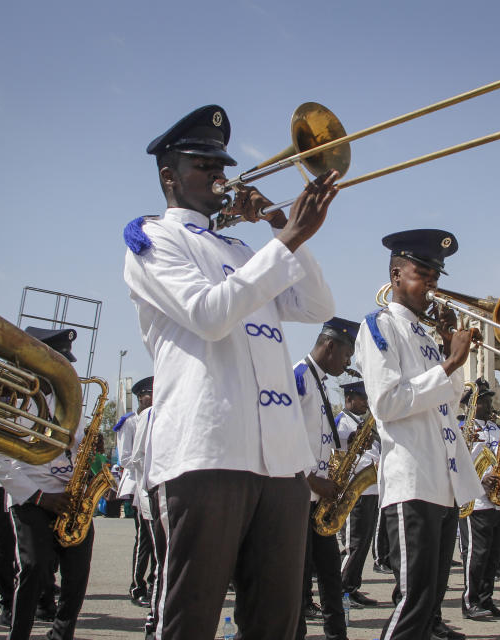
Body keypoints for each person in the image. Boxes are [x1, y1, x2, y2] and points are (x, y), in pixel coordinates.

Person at [123, 104, 339, 640]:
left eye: (220, 164)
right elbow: (210, 315)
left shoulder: (243, 248)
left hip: (279, 461)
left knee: (276, 621)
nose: (219, 175)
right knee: (191, 619)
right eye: (202, 165)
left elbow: (316, 305)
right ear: (169, 177)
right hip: (209, 452)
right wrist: (285, 243)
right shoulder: (154, 239)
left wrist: (280, 226)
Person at [355, 228, 483, 640]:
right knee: (412, 605)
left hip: (442, 482)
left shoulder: (426, 337)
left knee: (430, 604)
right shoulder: (380, 326)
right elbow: (388, 404)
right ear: (395, 275)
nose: (431, 284)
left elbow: (451, 396)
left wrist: (449, 350)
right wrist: (449, 363)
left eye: (435, 277)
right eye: (421, 273)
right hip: (411, 483)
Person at [0, 327, 94, 640]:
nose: (68, 370)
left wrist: (86, 461)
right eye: (61, 362)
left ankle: (61, 635)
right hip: (31, 495)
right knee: (33, 568)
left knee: (78, 571)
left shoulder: (71, 402)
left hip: (67, 496)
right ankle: (18, 633)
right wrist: (39, 498)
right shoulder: (14, 399)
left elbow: (73, 452)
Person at [294, 317, 357, 640]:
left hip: (321, 500)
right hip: (300, 498)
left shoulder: (320, 384)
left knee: (331, 576)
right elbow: (285, 436)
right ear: (330, 345)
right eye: (347, 354)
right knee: (297, 582)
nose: (348, 363)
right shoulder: (299, 377)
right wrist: (310, 479)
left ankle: (337, 635)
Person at [460, 379, 500, 620]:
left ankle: (486, 599)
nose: (488, 404)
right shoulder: (462, 427)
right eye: (482, 401)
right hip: (477, 501)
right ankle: (470, 601)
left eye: (489, 400)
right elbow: (458, 463)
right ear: (470, 404)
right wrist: (479, 480)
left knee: (494, 554)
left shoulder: (497, 427)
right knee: (477, 554)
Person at [336, 380, 380, 608]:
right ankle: (340, 590)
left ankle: (352, 587)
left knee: (363, 544)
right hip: (354, 491)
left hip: (371, 489)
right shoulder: (340, 422)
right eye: (362, 398)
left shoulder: (363, 423)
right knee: (354, 544)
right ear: (349, 399)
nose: (365, 403)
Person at [114, 375, 155, 608]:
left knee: (158, 542)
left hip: (154, 485)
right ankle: (137, 586)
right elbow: (126, 458)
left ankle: (153, 584)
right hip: (138, 484)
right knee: (144, 542)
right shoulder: (130, 422)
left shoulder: (157, 417)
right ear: (141, 397)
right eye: (150, 393)